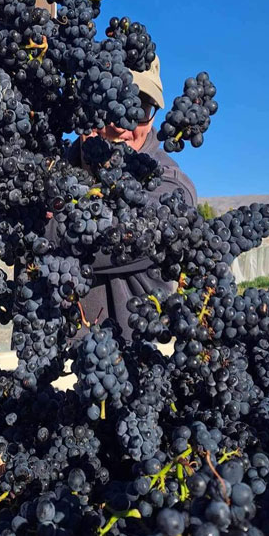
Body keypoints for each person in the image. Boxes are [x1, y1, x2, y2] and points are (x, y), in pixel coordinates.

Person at [64, 55, 198, 340]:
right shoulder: (47, 169)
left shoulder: (173, 193)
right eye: (109, 103)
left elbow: (99, 238)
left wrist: (28, 221)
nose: (122, 125)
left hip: (127, 376)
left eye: (139, 109)